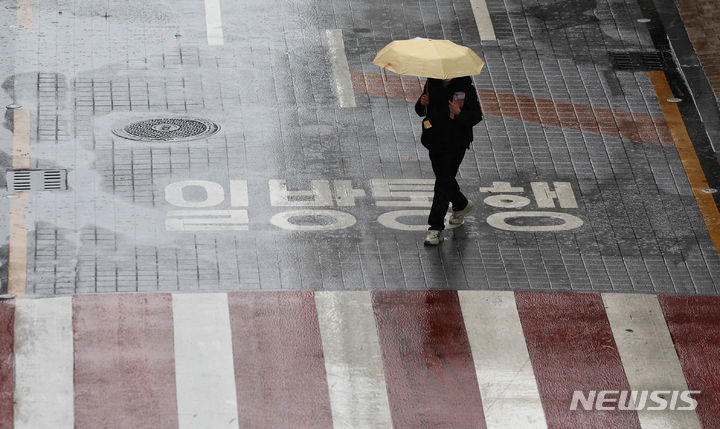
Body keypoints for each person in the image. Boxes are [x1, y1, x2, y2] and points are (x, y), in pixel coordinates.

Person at [415, 76, 483, 245]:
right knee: (444, 180)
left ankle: (435, 228)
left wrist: (459, 113)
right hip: (434, 140)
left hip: (456, 143)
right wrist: (422, 102)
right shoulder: (432, 83)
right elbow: (421, 111)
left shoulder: (466, 88)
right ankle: (461, 204)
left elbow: (476, 115)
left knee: (442, 183)